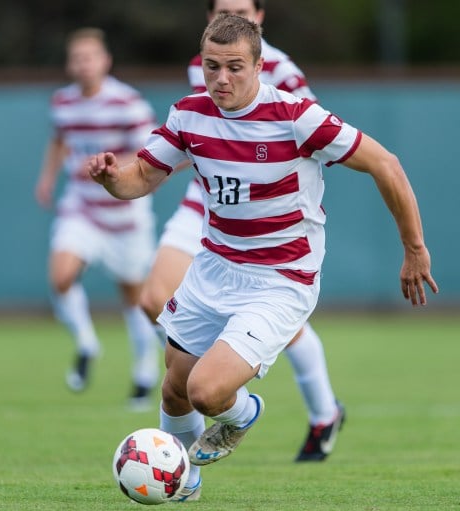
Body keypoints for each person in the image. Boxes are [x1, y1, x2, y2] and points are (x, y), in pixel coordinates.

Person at [88, 14, 438, 501]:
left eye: (234, 67)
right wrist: (112, 179)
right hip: (214, 267)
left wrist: (414, 249)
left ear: (258, 66)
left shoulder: (298, 118)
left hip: (280, 277)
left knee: (207, 393)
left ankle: (243, 413)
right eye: (212, 66)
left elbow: (386, 164)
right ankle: (185, 483)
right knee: (174, 387)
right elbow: (141, 178)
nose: (221, 78)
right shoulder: (189, 115)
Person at [138, 0, 345, 464]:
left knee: (274, 324)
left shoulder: (285, 74)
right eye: (223, 11)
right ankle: (187, 432)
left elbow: (306, 142)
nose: (222, 75)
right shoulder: (202, 66)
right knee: (154, 299)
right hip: (209, 200)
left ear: (261, 16)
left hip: (266, 214)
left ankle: (324, 411)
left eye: (242, 10)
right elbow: (200, 131)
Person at [34, 28, 161, 409]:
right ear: (70, 64)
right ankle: (88, 343)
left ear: (105, 61)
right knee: (60, 277)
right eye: (77, 58)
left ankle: (144, 371)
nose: (83, 65)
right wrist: (48, 177)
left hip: (125, 215)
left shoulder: (128, 104)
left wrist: (117, 173)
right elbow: (60, 139)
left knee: (136, 298)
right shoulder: (63, 102)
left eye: (90, 57)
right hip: (83, 208)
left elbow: (150, 153)